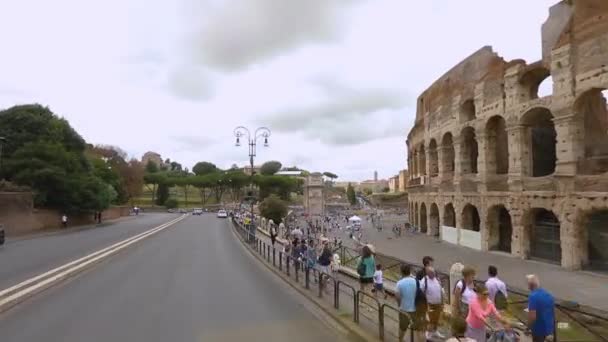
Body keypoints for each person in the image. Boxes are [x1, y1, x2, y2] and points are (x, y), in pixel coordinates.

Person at [395, 264, 424, 342]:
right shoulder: (416, 281)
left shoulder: (399, 283)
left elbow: (397, 296)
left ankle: (400, 340)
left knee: (402, 328)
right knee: (419, 330)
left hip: (404, 309)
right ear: (410, 271)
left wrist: (399, 305)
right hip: (416, 309)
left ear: (401, 272)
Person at [526, 274, 555, 342]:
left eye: (528, 284)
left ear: (530, 285)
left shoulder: (533, 296)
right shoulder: (548, 294)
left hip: (538, 331)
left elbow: (532, 316)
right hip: (549, 329)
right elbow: (552, 312)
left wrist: (528, 328)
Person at [421, 267, 445, 339]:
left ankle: (435, 331)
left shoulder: (437, 279)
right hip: (430, 304)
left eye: (434, 272)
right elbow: (421, 292)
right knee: (431, 320)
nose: (433, 274)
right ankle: (428, 334)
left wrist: (442, 302)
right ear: (427, 273)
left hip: (438, 303)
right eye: (431, 273)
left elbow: (440, 290)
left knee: (436, 319)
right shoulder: (424, 280)